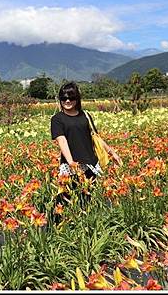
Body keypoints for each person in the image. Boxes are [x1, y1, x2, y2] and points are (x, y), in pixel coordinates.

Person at [50, 82, 121, 217]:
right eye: (64, 98)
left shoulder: (85, 115)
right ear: (60, 99)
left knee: (87, 200)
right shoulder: (57, 119)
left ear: (77, 98)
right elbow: (61, 140)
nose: (68, 101)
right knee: (64, 200)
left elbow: (96, 138)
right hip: (70, 166)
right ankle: (59, 229)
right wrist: (71, 162)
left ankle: (86, 228)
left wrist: (112, 153)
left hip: (90, 164)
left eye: (71, 97)